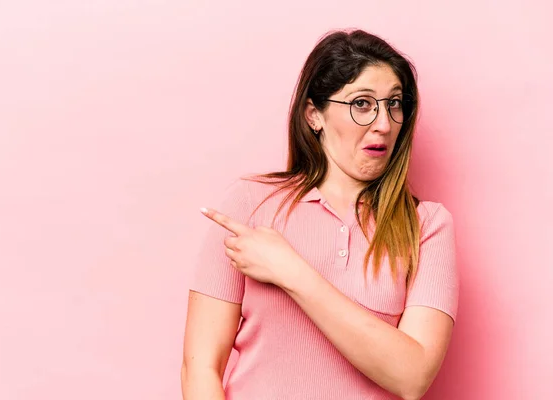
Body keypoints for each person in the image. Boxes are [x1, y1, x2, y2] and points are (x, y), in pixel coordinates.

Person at [181, 29, 459, 400]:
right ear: (315, 115)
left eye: (394, 103)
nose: (384, 123)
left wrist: (291, 272)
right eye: (362, 103)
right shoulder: (250, 204)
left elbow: (412, 377)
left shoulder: (427, 226)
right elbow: (200, 367)